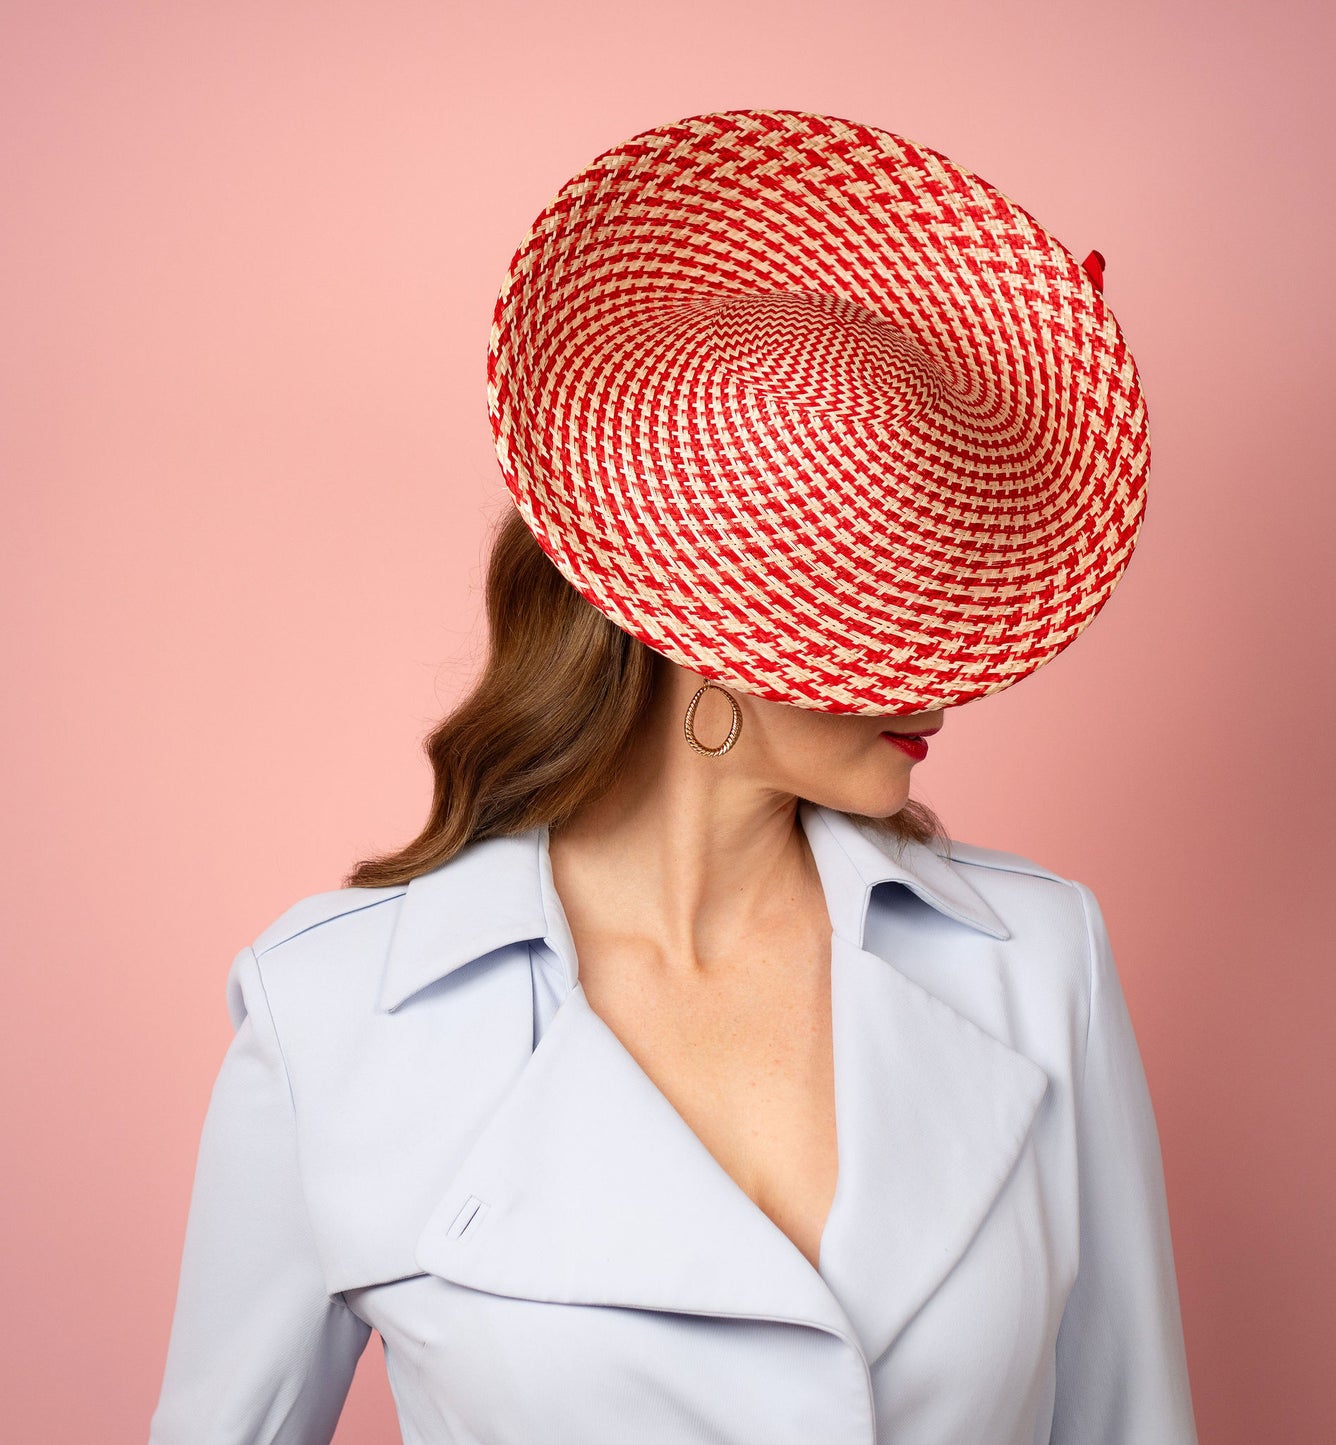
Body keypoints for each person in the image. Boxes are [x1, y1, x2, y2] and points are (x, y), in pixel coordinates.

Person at [149, 108, 1199, 1444]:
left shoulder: (1041, 961)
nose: (953, 676)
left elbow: (1128, 1420)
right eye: (891, 613)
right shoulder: (334, 1012)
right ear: (706, 631)